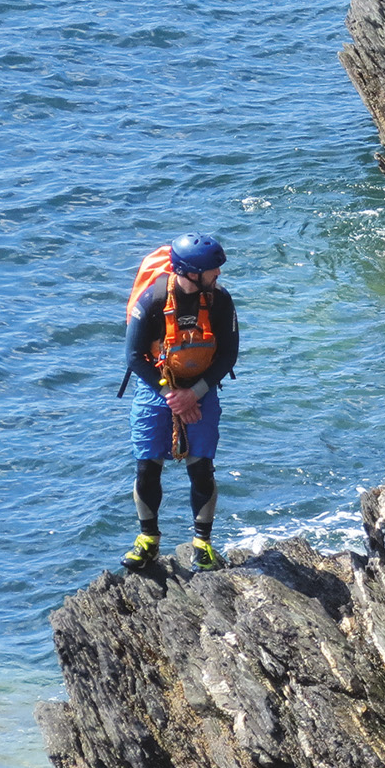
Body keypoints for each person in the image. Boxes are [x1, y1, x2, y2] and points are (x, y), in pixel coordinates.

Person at [122, 233, 239, 573]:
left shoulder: (219, 301)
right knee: (147, 466)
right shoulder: (152, 299)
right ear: (190, 273)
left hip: (200, 388)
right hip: (156, 388)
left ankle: (202, 545)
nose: (218, 275)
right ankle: (147, 540)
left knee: (201, 466)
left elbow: (228, 355)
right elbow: (134, 357)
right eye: (212, 271)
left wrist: (195, 392)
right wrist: (171, 395)